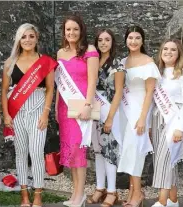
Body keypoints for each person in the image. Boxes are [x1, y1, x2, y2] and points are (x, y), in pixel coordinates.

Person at [1, 23, 57, 207]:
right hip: (17, 114)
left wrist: (46, 114)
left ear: (36, 38)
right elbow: (3, 91)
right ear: (18, 39)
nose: (27, 40)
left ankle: (38, 195)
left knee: (37, 152)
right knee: (21, 153)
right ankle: (24, 195)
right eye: (23, 37)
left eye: (31, 36)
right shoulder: (10, 62)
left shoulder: (46, 61)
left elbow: (50, 89)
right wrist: (6, 115)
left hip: (38, 111)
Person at [54, 14, 99, 207]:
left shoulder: (89, 51)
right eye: (68, 29)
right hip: (65, 108)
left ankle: (80, 196)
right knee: (70, 152)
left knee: (79, 151)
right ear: (64, 32)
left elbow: (92, 81)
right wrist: (56, 107)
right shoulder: (60, 53)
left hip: (82, 108)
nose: (71, 33)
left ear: (81, 31)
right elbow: (58, 83)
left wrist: (88, 105)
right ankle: (74, 194)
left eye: (75, 29)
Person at [117, 25, 160, 207]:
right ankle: (132, 192)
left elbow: (150, 92)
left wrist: (143, 118)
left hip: (140, 110)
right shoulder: (122, 61)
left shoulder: (148, 62)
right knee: (127, 150)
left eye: (137, 38)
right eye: (130, 38)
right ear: (126, 40)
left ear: (142, 41)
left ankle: (138, 193)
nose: (133, 41)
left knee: (135, 151)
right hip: (124, 110)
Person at [149, 39, 183, 207]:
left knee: (164, 159)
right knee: (168, 160)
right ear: (161, 52)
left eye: (173, 49)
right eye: (165, 49)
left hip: (174, 121)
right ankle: (173, 200)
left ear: (179, 53)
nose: (168, 52)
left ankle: (162, 202)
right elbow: (152, 100)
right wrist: (149, 125)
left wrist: (180, 128)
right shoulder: (157, 73)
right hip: (157, 118)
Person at [87, 29, 125, 207]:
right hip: (94, 111)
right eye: (100, 40)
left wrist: (110, 118)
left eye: (107, 39)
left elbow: (118, 92)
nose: (103, 43)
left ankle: (112, 191)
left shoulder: (117, 64)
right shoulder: (92, 61)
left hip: (110, 111)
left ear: (112, 42)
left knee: (110, 152)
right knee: (97, 152)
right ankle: (100, 188)